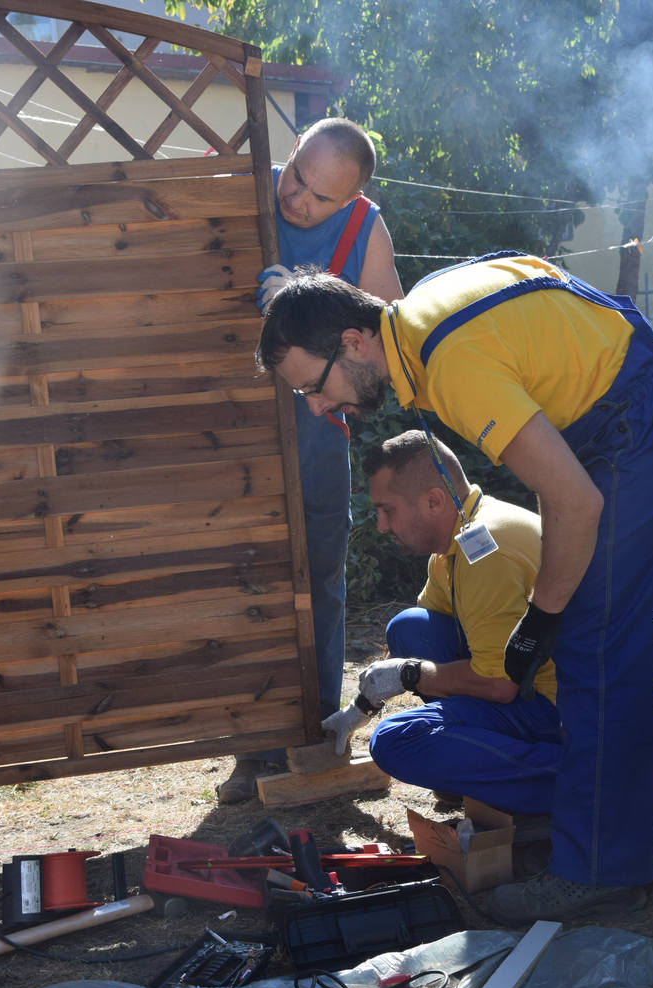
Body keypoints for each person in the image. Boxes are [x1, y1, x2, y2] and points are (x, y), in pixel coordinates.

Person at [254, 251, 653, 924]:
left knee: (597, 648)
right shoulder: (425, 313)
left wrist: (540, 621)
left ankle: (598, 873)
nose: (319, 408)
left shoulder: (450, 363)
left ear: (352, 341)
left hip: (641, 430)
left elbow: (573, 501)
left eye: (314, 386)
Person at [216, 117, 402, 804]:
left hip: (318, 433)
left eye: (320, 198)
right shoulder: (240, 191)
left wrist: (307, 293)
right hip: (232, 432)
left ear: (350, 199)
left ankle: (315, 737)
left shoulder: (365, 229)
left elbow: (392, 322)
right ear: (290, 154)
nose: (297, 201)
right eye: (297, 177)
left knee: (317, 584)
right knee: (249, 582)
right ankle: (252, 748)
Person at [322, 429, 565, 809]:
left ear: (434, 501)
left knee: (395, 740)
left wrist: (409, 674)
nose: (382, 526)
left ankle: (577, 780)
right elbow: (429, 635)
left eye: (388, 510)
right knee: (409, 628)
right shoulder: (460, 536)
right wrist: (360, 709)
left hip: (562, 709)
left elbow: (500, 685)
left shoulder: (486, 551)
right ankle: (475, 767)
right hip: (530, 681)